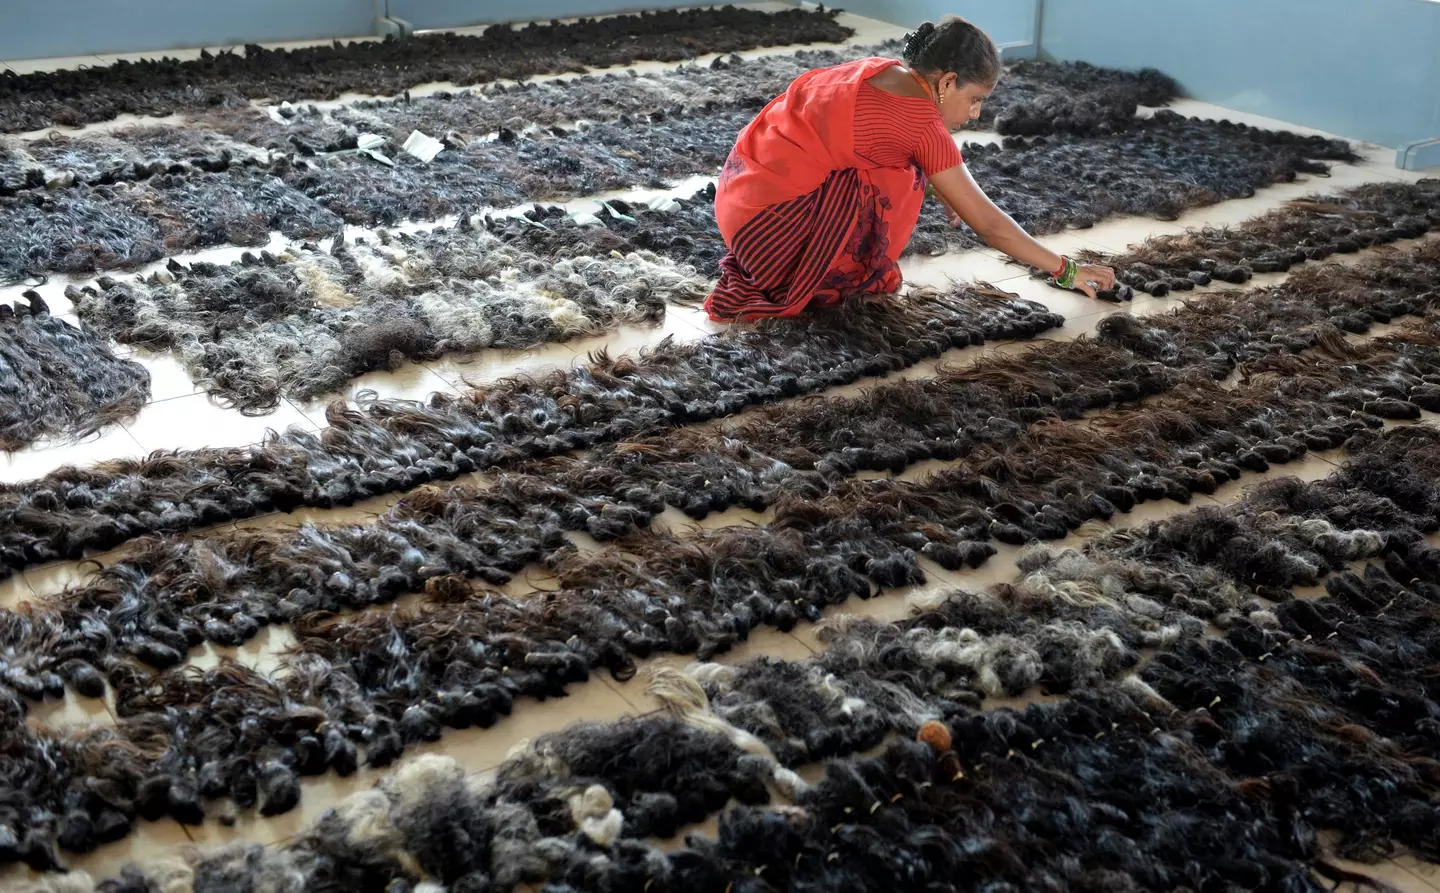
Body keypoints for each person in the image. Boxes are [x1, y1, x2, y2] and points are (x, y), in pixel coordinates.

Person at [704, 16, 1117, 321]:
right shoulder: (922, 127)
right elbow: (989, 224)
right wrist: (1067, 270)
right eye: (974, 99)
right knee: (905, 174)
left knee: (903, 168)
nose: (975, 114)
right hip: (771, 241)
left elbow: (862, 135)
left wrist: (942, 185)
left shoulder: (877, 70)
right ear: (947, 81)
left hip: (740, 200)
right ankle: (822, 273)